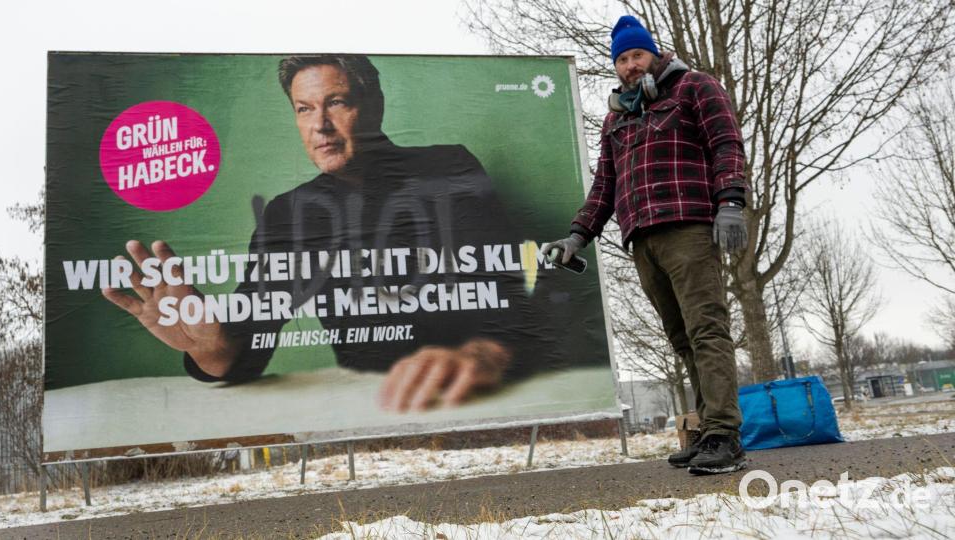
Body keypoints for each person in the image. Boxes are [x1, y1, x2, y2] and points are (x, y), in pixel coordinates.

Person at [104, 55, 596, 413]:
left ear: (374, 104)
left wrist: (485, 351)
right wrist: (208, 348)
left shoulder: (450, 167)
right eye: (303, 109)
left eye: (336, 102)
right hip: (372, 413)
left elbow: (511, 285)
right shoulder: (287, 214)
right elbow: (247, 346)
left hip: (491, 399)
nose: (320, 126)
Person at [542, 16, 749, 475]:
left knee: (707, 329)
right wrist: (576, 236)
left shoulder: (695, 87)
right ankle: (708, 430)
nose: (630, 65)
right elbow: (605, 186)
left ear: (654, 55)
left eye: (637, 55)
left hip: (689, 227)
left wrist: (731, 201)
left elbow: (726, 143)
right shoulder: (615, 118)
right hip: (642, 239)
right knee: (683, 339)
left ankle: (725, 436)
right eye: (621, 59)